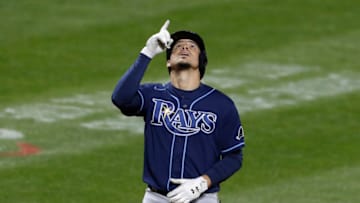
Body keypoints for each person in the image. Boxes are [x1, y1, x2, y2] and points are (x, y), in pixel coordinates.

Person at [111, 20, 245, 203]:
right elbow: (121, 98)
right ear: (168, 62)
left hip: (202, 198)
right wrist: (147, 52)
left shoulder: (221, 104)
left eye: (191, 47)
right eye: (178, 47)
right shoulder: (153, 96)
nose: (184, 48)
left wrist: (203, 182)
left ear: (201, 61)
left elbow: (234, 157)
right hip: (156, 197)